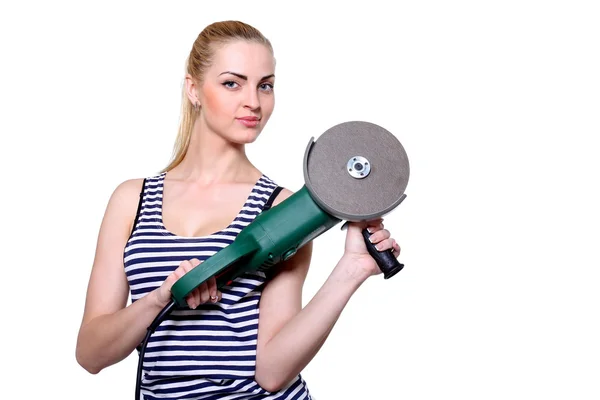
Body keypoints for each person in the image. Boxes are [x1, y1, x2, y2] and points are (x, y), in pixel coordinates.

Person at [75, 20, 402, 399]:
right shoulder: (132, 199)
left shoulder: (282, 208)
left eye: (265, 85)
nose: (254, 101)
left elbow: (273, 372)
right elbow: (90, 354)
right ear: (194, 89)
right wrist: (157, 299)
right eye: (232, 83)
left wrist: (352, 270)